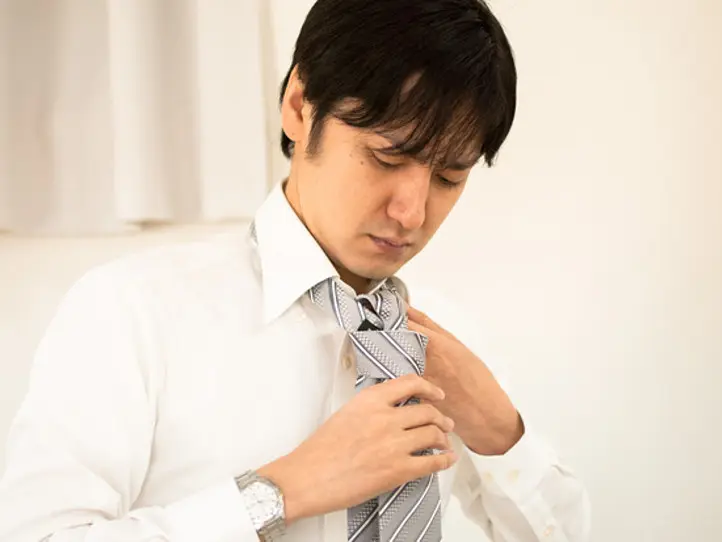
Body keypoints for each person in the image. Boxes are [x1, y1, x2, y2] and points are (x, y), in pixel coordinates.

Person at [0, 0, 591, 541]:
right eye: (387, 156)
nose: (412, 212)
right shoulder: (133, 310)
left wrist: (500, 431)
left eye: (449, 177)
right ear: (300, 107)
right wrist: (281, 492)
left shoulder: (449, 341)